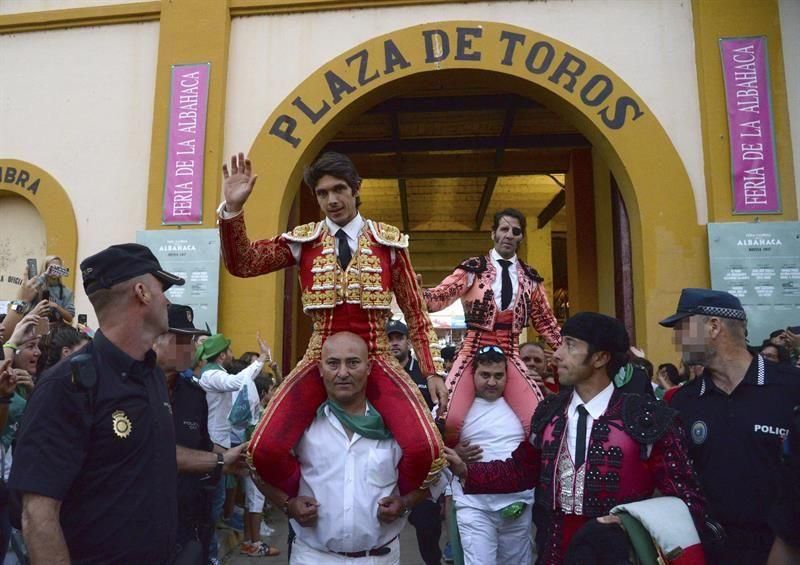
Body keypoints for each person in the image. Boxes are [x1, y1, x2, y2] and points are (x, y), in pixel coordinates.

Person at [218, 152, 446, 497]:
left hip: (376, 354)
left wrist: (432, 370)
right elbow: (244, 263)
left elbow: (415, 311)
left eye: (339, 189)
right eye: (322, 193)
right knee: (263, 449)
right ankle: (308, 497)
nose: (332, 200)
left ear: (356, 189)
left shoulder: (390, 243)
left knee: (426, 449)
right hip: (319, 356)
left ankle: (390, 502)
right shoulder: (303, 241)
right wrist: (233, 210)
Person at [8, 243, 248, 564]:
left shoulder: (150, 375)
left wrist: (219, 461)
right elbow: (38, 514)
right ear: (141, 292)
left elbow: (152, 455)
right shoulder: (68, 385)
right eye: (162, 289)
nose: (167, 300)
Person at [446, 312, 705, 563]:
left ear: (600, 357)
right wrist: (467, 470)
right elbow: (521, 470)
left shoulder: (646, 417)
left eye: (570, 346)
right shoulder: (549, 412)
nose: (557, 355)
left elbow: (684, 501)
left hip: (620, 556)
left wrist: (632, 521)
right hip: (557, 553)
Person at [256, 332, 438, 564]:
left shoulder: (397, 427)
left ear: (369, 366)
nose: (343, 373)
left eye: (353, 363)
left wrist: (405, 503)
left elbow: (434, 477)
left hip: (380, 559)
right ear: (320, 368)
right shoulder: (300, 425)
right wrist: (287, 504)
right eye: (333, 363)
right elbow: (256, 467)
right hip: (313, 557)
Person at [661, 288, 800, 564]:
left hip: (787, 547)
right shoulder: (684, 402)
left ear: (714, 326)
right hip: (712, 551)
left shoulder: (791, 386)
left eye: (683, 327)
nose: (677, 339)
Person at [422, 208, 561, 446]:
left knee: (536, 421)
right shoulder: (472, 269)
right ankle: (452, 474)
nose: (509, 235)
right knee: (450, 418)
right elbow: (439, 298)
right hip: (471, 352)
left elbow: (546, 322)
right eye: (504, 229)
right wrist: (413, 292)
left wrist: (569, 348)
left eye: (515, 231)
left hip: (510, 352)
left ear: (520, 237)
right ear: (493, 233)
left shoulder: (530, 279)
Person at [451, 345, 534, 565]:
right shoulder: (453, 409)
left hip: (518, 503)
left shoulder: (523, 408)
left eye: (498, 376)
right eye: (485, 375)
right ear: (473, 374)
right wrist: (454, 452)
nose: (491, 382)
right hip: (474, 506)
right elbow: (433, 447)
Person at [153, 303, 218, 563]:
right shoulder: (131, 389)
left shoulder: (195, 395)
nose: (190, 348)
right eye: (181, 340)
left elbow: (204, 448)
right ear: (154, 340)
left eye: (191, 340)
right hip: (138, 525)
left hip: (185, 522)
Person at [387, 319, 441, 565]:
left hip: (419, 464)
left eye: (398, 337)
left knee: (426, 521)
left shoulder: (425, 375)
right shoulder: (375, 373)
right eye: (389, 338)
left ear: (408, 341)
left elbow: (440, 413)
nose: (394, 342)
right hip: (384, 458)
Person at [37, 256, 75, 324]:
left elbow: (69, 318)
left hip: (55, 328)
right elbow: (28, 288)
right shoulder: (38, 286)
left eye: (58, 267)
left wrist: (56, 306)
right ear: (46, 268)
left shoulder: (66, 291)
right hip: (36, 326)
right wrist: (45, 274)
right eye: (52, 267)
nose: (55, 270)